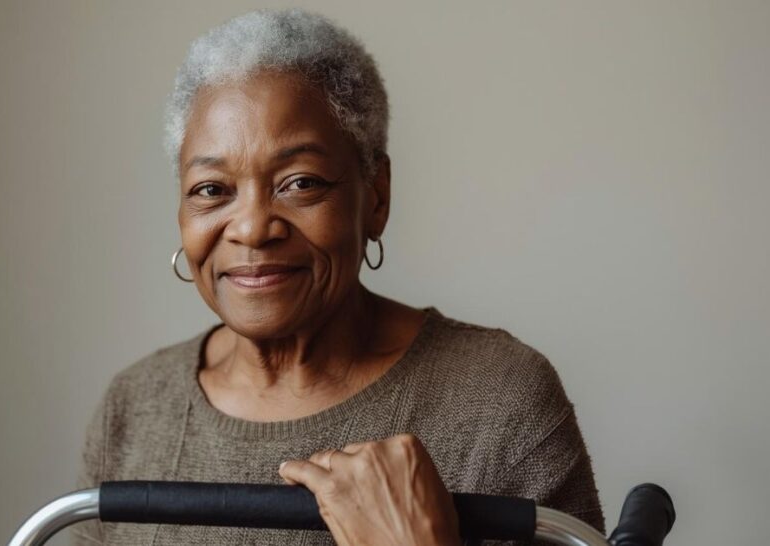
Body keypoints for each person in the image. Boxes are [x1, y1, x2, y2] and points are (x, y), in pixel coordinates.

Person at [72, 8, 603, 546]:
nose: (253, 228)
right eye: (212, 190)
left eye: (299, 182)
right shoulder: (135, 408)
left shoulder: (498, 401)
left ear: (376, 196)